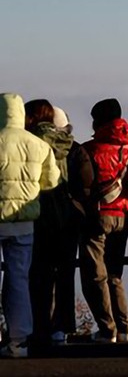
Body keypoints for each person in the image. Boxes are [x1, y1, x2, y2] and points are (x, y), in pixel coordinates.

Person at [76, 98, 128, 343]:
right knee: (115, 274)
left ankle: (107, 330)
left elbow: (83, 184)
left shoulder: (91, 149)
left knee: (95, 275)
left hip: (98, 216)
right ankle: (125, 328)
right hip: (122, 216)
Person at [1, 93, 61, 358]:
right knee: (19, 279)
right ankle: (18, 341)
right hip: (25, 222)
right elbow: (51, 181)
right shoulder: (37, 144)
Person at [24, 100, 80, 345]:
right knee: (65, 274)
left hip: (40, 214)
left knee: (39, 274)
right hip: (68, 216)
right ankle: (63, 328)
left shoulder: (32, 144)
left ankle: (39, 327)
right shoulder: (73, 146)